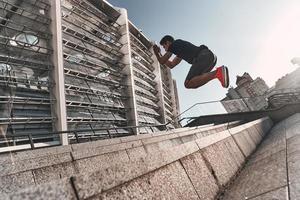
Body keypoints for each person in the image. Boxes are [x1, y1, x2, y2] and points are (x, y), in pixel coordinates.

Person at [153, 35, 229, 89]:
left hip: (203, 56)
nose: (165, 50)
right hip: (210, 57)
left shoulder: (174, 44)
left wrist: (156, 52)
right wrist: (160, 54)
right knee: (194, 80)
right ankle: (218, 73)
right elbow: (172, 64)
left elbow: (162, 61)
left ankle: (217, 73)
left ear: (168, 42)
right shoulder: (179, 48)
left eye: (164, 46)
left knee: (188, 83)